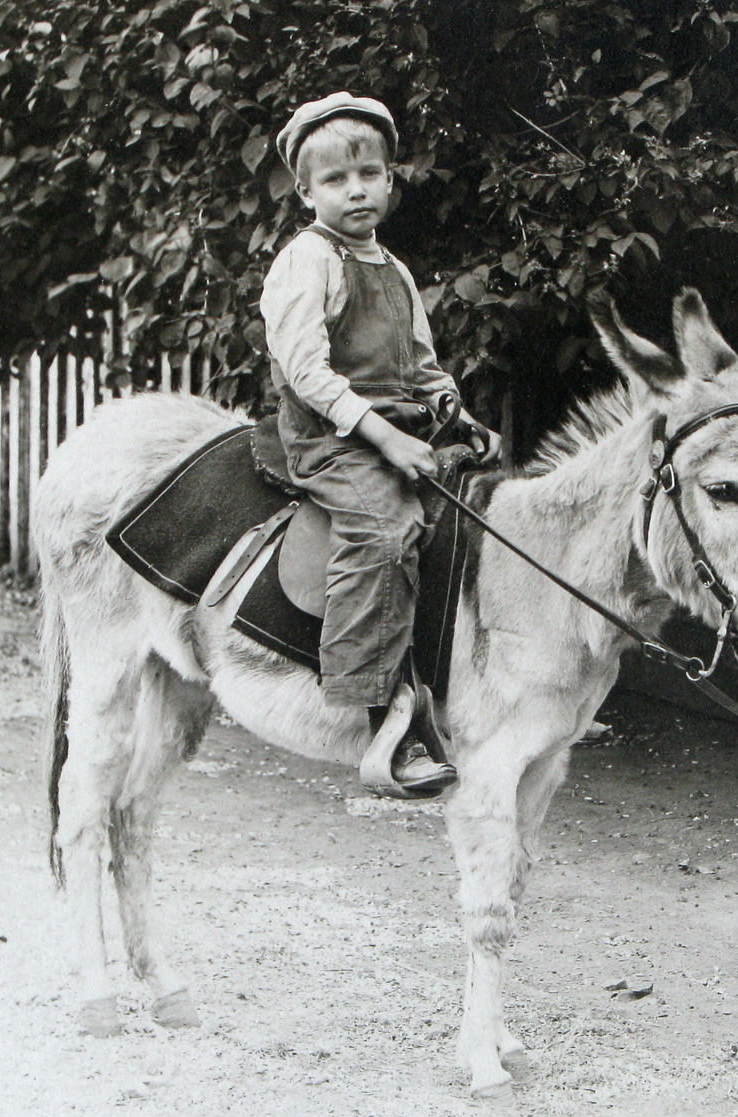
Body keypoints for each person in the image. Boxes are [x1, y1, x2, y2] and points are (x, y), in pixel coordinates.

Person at [262, 92, 502, 796]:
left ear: (392, 180)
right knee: (387, 530)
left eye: (368, 173)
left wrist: (451, 411)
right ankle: (382, 722)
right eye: (334, 179)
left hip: (401, 428)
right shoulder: (307, 260)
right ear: (305, 191)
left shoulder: (393, 270)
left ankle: (477, 683)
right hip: (331, 439)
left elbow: (421, 367)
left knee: (484, 511)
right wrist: (388, 440)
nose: (355, 189)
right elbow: (306, 372)